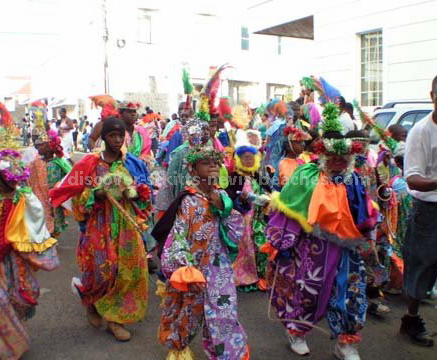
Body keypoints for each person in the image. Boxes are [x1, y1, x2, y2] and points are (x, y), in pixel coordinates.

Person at [265, 103, 368, 359]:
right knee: (307, 291)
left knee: (350, 294)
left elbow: (365, 214)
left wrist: (368, 239)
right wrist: (284, 244)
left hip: (346, 247)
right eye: (332, 155)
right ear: (322, 153)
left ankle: (346, 342)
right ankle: (297, 331)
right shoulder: (307, 174)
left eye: (343, 157)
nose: (338, 161)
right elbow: (288, 206)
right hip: (312, 246)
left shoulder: (354, 179)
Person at [50, 117, 152, 342]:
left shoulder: (131, 163)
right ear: (104, 137)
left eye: (120, 135)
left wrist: (133, 193)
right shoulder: (90, 164)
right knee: (102, 270)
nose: (117, 140)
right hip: (99, 224)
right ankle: (92, 302)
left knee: (128, 271)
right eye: (112, 135)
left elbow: (145, 191)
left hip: (126, 225)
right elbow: (77, 193)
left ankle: (115, 320)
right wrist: (96, 194)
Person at [0, 99, 59, 359]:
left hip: (15, 257)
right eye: (6, 172)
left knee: (18, 298)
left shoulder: (25, 198)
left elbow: (35, 228)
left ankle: (7, 336)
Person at [155, 144, 249, 359]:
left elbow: (235, 232)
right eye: (206, 163)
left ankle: (229, 354)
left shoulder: (221, 197)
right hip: (194, 269)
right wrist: (186, 269)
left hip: (219, 268)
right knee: (187, 312)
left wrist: (225, 210)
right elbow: (177, 236)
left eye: (216, 163)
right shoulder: (188, 201)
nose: (213, 167)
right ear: (193, 169)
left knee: (224, 313)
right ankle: (178, 348)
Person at [400, 72, 437, 347]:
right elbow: (411, 177)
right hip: (429, 212)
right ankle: (410, 318)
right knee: (421, 272)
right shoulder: (420, 132)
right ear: (432, 97)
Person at [226, 130, 271, 291]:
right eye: (245, 157)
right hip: (243, 218)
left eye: (251, 157)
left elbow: (270, 191)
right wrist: (240, 200)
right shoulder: (235, 177)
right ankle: (246, 277)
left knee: (262, 245)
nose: (249, 159)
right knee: (245, 248)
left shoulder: (258, 175)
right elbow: (229, 197)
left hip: (259, 218)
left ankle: (262, 276)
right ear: (239, 159)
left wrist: (267, 197)